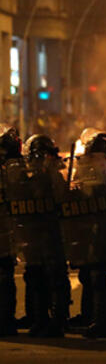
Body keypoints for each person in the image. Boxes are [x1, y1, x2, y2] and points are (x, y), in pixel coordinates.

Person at [8, 135, 69, 337]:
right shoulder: (26, 178)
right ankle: (40, 319)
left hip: (49, 233)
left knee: (53, 279)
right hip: (35, 235)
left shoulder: (53, 177)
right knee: (37, 278)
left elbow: (62, 201)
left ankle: (57, 322)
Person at [70, 130, 106, 338]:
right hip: (98, 228)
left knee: (97, 274)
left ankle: (104, 321)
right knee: (88, 273)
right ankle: (89, 315)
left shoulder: (98, 173)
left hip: (98, 229)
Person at [0, 125, 21, 336]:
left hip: (6, 233)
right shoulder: (15, 172)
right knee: (6, 278)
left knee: (5, 278)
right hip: (8, 234)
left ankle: (5, 320)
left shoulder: (11, 172)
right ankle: (6, 320)